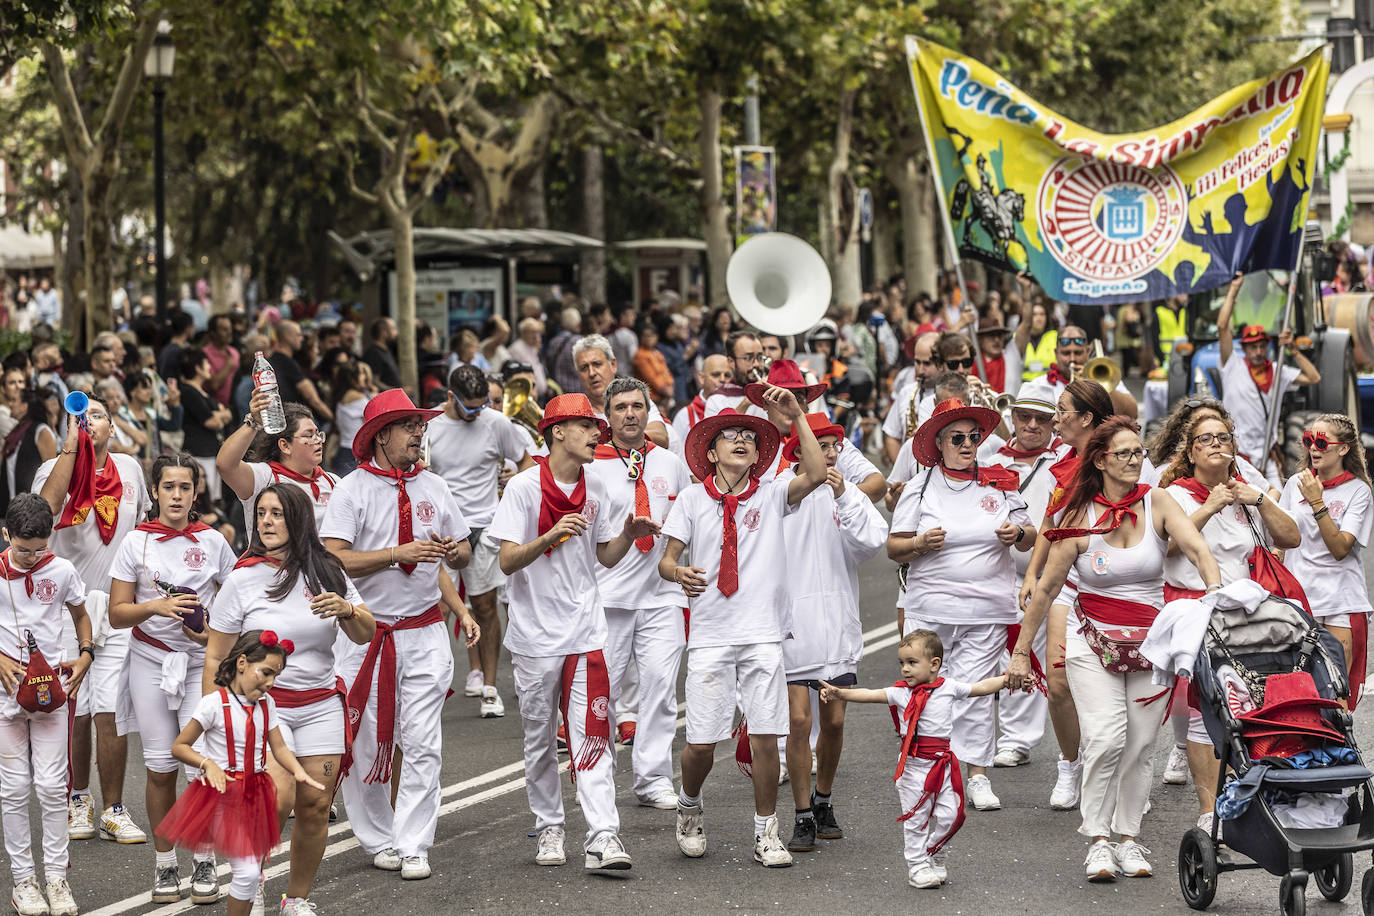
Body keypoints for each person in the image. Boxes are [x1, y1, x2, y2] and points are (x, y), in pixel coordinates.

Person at [1011, 417, 1219, 881]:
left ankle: (1129, 838)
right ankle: (1098, 840)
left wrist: (1215, 594)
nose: (1135, 460)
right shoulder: (1079, 514)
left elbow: (1199, 550)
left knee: (1142, 745)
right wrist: (1022, 651)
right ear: (1102, 460)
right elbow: (1046, 592)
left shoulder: (1158, 501)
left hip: (1150, 648)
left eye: (1139, 452)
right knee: (1105, 739)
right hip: (1092, 645)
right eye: (1124, 453)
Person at [488, 392, 660, 872]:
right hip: (535, 637)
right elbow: (505, 560)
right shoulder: (523, 488)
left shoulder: (599, 487)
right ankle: (549, 827)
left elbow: (603, 557)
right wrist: (548, 536)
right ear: (557, 432)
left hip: (586, 631)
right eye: (586, 427)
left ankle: (603, 836)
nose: (595, 435)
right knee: (539, 737)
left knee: (593, 736)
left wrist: (630, 532)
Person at [657, 388, 828, 869]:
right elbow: (666, 561)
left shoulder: (773, 494)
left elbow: (815, 474)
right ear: (710, 453)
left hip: (761, 633)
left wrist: (797, 417)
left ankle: (765, 832)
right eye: (729, 437)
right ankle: (689, 804)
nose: (740, 442)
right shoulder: (691, 499)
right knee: (701, 746)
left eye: (749, 438)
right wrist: (679, 573)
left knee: (766, 737)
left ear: (757, 455)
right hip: (711, 634)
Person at [205, 485, 378, 914]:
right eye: (261, 514)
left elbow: (366, 631)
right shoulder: (242, 578)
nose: (265, 521)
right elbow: (215, 654)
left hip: (320, 704)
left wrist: (348, 610)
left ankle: (296, 899)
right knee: (276, 801)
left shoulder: (329, 571)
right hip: (265, 708)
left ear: (298, 519)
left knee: (316, 806)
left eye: (276, 514)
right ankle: (251, 880)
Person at [320, 388, 470, 881]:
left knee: (423, 741)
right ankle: (378, 837)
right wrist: (393, 554)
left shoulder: (435, 486)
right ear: (381, 436)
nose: (418, 433)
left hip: (425, 632)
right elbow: (332, 558)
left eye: (420, 425)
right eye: (408, 426)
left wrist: (453, 555)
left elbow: (463, 551)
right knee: (365, 744)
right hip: (366, 636)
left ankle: (413, 842)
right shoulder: (352, 490)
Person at [887, 398, 1034, 812]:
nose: (968, 444)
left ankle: (977, 776)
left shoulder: (999, 482)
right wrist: (918, 543)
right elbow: (894, 548)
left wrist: (1016, 534)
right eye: (958, 438)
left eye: (974, 437)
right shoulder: (920, 486)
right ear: (939, 443)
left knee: (974, 693)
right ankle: (923, 771)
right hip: (931, 609)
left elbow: (1032, 534)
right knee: (927, 692)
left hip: (986, 609)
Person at [108, 454, 237, 905]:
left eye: (185, 487)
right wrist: (156, 607)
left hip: (200, 663)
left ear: (195, 492)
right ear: (155, 493)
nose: (177, 495)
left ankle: (204, 858)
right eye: (169, 488)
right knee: (160, 768)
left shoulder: (215, 541)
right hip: (149, 661)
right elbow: (117, 613)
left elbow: (237, 600)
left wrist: (210, 633)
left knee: (198, 766)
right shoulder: (135, 543)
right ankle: (165, 866)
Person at [1161, 410, 1299, 828]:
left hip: (1245, 608)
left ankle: (1259, 790)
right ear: (1190, 452)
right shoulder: (1177, 494)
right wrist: (1209, 505)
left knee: (1250, 700)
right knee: (1205, 706)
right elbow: (1165, 549)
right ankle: (1208, 811)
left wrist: (1257, 499)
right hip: (1194, 605)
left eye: (1224, 437)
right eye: (1206, 439)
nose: (1218, 444)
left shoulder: (1246, 488)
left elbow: (1290, 537)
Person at [35, 395, 151, 847]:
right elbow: (44, 514)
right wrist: (72, 447)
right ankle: (77, 798)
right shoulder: (54, 468)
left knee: (111, 711)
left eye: (98, 416)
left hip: (116, 605)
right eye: (81, 417)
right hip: (67, 608)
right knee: (76, 710)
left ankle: (115, 809)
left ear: (113, 427)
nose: (90, 422)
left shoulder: (131, 470)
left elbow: (141, 530)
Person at [818, 631, 1011, 889]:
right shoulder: (901, 693)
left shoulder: (948, 687)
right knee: (916, 819)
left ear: (934, 664)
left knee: (952, 815)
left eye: (911, 662)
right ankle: (917, 866)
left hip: (942, 765)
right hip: (913, 767)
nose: (905, 669)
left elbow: (980, 688)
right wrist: (840, 694)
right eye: (902, 663)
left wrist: (1006, 681)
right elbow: (869, 693)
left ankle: (935, 853)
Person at [776, 413, 887, 852]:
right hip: (793, 627)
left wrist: (846, 497)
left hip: (836, 623)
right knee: (799, 721)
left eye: (834, 446)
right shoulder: (782, 493)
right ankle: (802, 813)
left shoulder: (846, 496)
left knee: (835, 721)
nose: (831, 453)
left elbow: (870, 543)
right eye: (820, 445)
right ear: (799, 449)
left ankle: (824, 800)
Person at [159, 630, 326, 916]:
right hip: (224, 796)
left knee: (248, 875)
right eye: (265, 672)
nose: (271, 683)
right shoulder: (213, 703)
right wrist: (207, 764)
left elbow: (280, 747)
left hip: (256, 794)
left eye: (276, 676)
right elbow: (180, 746)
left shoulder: (267, 705)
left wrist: (299, 771)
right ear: (242, 663)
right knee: (249, 872)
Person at [586, 378, 691, 809]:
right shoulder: (591, 467)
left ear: (649, 412)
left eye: (637, 406)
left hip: (662, 595)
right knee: (601, 694)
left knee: (661, 688)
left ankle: (652, 778)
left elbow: (687, 520)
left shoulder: (670, 462)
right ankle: (599, 777)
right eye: (621, 408)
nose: (630, 414)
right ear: (607, 416)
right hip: (607, 597)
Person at [1013, 379, 1115, 809]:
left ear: (1087, 418)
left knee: (1113, 688)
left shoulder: (1123, 458)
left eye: (1061, 411)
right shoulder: (1065, 463)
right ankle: (1070, 764)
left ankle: (1116, 774)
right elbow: (1051, 521)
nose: (1054, 419)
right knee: (1058, 684)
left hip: (1116, 587)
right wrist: (1033, 573)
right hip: (1068, 586)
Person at [0, 494, 92, 916]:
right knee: (15, 789)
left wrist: (86, 654)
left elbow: (80, 614)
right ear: (6, 536)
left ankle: (56, 878)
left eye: (40, 549)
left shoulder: (62, 569)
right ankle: (24, 881)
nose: (32, 557)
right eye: (23, 550)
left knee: (54, 788)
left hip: (52, 690)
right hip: (6, 693)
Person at [425, 365, 533, 718]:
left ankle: (489, 687)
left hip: (483, 525)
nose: (477, 413)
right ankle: (432, 685)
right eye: (469, 407)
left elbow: (527, 461)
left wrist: (515, 477)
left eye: (482, 405)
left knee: (485, 607)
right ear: (450, 397)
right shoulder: (431, 428)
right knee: (436, 608)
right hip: (440, 531)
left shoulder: (496, 422)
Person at [983, 380, 1068, 769]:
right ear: (1012, 417)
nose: (1032, 425)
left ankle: (1066, 743)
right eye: (1024, 416)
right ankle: (1013, 738)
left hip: (1056, 576)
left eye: (1042, 419)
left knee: (1053, 661)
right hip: (998, 574)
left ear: (1054, 423)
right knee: (1009, 656)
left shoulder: (1066, 460)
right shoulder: (989, 457)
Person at [1280, 414, 1373, 688]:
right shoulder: (1294, 483)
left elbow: (1341, 548)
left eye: (1322, 442)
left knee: (1337, 693)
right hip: (1299, 602)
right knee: (1300, 691)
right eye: (1309, 440)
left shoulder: (1359, 491)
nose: (1313, 448)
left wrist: (1317, 501)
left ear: (1343, 448)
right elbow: (1284, 539)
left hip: (1341, 602)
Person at [1216, 273, 1321, 481]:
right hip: (1237, 454)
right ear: (1244, 348)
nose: (1258, 351)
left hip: (1266, 455)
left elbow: (1313, 378)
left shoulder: (1278, 370)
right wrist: (1234, 290)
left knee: (1278, 503)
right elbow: (1222, 327)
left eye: (1262, 346)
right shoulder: (1232, 365)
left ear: (1267, 347)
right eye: (1252, 347)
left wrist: (1293, 350)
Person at [217, 397, 339, 530]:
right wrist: (254, 423)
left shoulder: (332, 481)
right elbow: (226, 465)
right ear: (285, 446)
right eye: (309, 435)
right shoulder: (264, 478)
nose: (318, 440)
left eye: (318, 434)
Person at [572, 334, 670, 447]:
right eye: (584, 368)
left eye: (597, 364)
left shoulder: (636, 400)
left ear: (613, 365)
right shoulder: (575, 414)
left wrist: (615, 440)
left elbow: (662, 438)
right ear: (578, 375)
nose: (592, 373)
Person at [178, 349, 233, 506]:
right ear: (197, 367)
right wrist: (219, 415)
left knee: (213, 499)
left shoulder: (204, 392)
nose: (210, 367)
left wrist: (219, 415)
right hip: (199, 453)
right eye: (207, 363)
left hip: (212, 452)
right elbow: (212, 422)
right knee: (201, 497)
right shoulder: (188, 391)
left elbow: (226, 414)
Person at [881, 332, 940, 464]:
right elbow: (892, 436)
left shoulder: (954, 392)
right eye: (917, 362)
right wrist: (902, 471)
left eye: (927, 364)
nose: (920, 370)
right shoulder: (906, 392)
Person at [669, 354, 731, 459]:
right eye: (716, 375)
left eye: (727, 375)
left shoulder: (739, 407)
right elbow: (674, 455)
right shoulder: (684, 415)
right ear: (701, 378)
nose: (722, 379)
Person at [271, 321, 334, 423]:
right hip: (290, 421)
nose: (302, 338)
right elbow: (313, 399)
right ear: (287, 336)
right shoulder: (287, 363)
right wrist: (334, 420)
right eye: (298, 335)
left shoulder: (273, 360)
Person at [203, 315, 241, 407]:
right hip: (215, 409)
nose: (229, 332)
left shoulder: (234, 352)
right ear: (213, 333)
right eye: (224, 329)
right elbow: (212, 385)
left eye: (230, 328)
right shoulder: (205, 354)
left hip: (235, 409)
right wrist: (229, 364)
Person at [362, 317, 403, 392]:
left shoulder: (386, 351)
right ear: (384, 332)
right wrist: (394, 391)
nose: (396, 333)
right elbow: (374, 381)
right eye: (393, 329)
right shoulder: (374, 353)